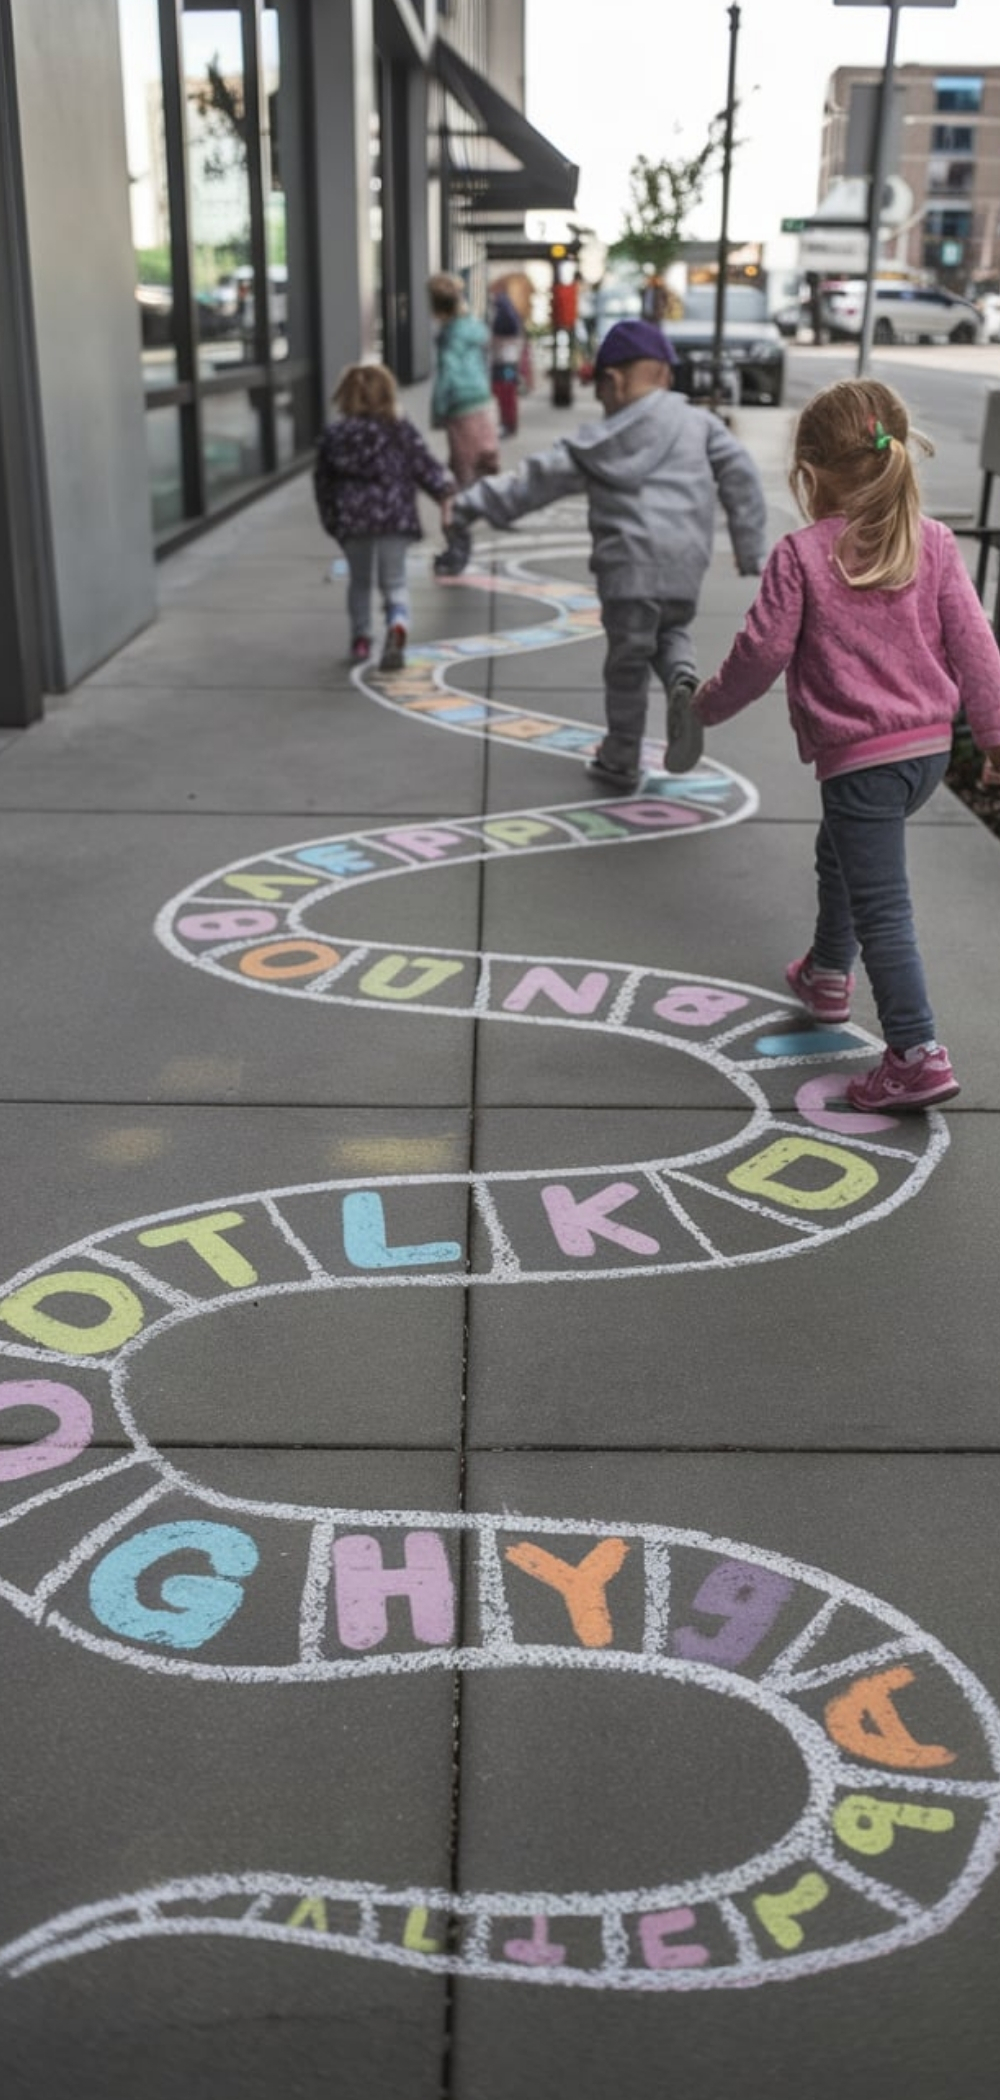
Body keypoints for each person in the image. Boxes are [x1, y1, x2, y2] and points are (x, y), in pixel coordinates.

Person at [693, 377, 1000, 1112]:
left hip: (862, 760)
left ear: (808, 473)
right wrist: (993, 739)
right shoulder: (933, 542)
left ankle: (915, 1053)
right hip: (924, 753)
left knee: (883, 905)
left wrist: (705, 708)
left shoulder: (802, 555)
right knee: (842, 853)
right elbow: (978, 648)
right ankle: (828, 972)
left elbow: (759, 653)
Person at [435, 317, 767, 780]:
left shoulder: (595, 444)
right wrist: (750, 548)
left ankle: (621, 755)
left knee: (627, 664)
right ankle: (682, 681)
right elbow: (741, 476)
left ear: (612, 381)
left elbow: (531, 483)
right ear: (667, 376)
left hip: (627, 572)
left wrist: (468, 505)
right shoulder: (701, 425)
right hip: (685, 564)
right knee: (671, 631)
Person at [313, 361, 453, 671]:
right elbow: (424, 465)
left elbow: (323, 483)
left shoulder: (335, 435)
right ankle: (397, 622)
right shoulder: (399, 430)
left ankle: (361, 638)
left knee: (360, 582)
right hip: (395, 519)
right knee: (395, 580)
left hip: (353, 521)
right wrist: (444, 493)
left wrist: (332, 520)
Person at [428, 272, 500, 490]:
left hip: (460, 403)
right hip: (482, 397)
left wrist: (438, 409)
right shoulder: (473, 327)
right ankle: (490, 500)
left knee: (463, 463)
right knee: (485, 455)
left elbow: (447, 374)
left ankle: (463, 510)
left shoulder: (449, 337)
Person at [488, 286, 524, 438]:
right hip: (510, 363)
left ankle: (506, 423)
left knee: (503, 394)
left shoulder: (500, 318)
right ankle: (510, 423)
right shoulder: (513, 319)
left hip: (502, 363)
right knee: (509, 394)